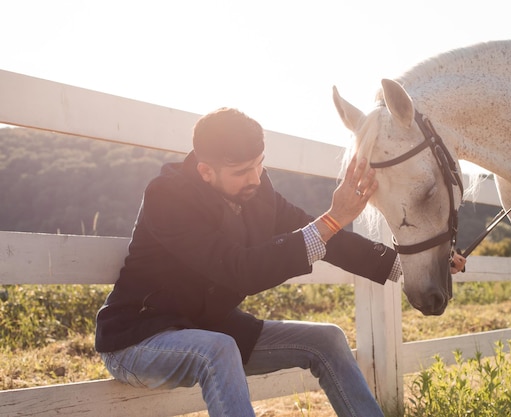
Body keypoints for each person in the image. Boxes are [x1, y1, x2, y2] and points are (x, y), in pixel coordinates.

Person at [95, 107, 466, 417]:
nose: (255, 178)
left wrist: (414, 264)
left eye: (259, 165)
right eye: (241, 171)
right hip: (139, 341)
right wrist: (333, 217)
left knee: (328, 340)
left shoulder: (258, 189)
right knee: (218, 350)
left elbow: (323, 237)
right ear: (205, 172)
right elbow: (238, 269)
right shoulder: (167, 196)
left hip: (214, 330)